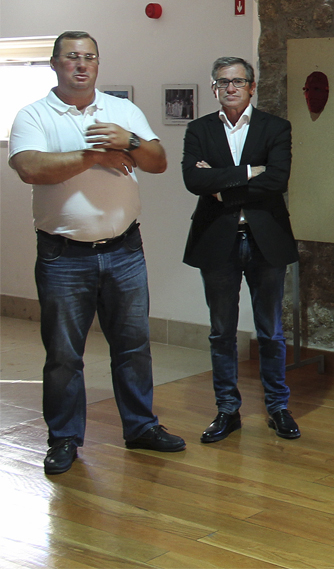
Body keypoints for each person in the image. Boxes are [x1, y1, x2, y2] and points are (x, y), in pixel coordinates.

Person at [7, 31, 186, 475]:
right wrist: (94, 157)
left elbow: (158, 161)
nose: (81, 64)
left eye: (89, 57)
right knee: (64, 355)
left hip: (125, 250)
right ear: (55, 64)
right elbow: (30, 168)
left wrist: (128, 141)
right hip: (63, 256)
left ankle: (141, 427)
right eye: (72, 57)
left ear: (98, 64)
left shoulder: (121, 111)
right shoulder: (34, 115)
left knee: (133, 347)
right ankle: (64, 438)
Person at [182, 57, 300, 444]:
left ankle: (278, 408)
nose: (230, 88)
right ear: (213, 88)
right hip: (218, 239)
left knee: (270, 331)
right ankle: (227, 410)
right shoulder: (199, 129)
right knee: (221, 332)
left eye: (238, 81)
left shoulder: (275, 127)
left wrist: (221, 186)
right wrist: (251, 172)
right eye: (223, 82)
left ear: (252, 86)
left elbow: (277, 180)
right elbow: (192, 179)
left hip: (265, 238)